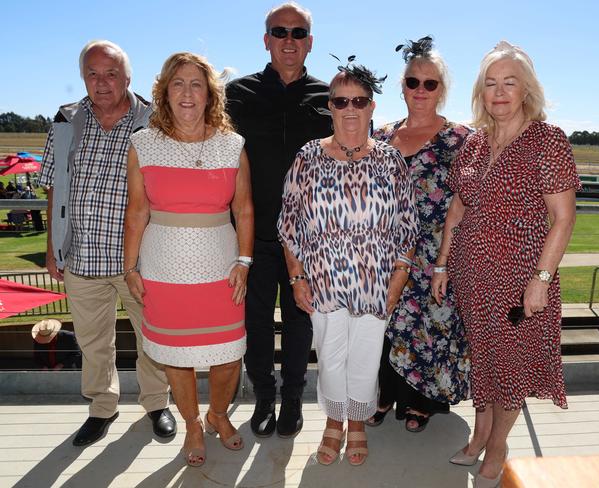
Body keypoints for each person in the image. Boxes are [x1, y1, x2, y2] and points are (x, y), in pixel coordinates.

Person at [431, 41, 580, 488]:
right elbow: (457, 209)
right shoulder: (474, 144)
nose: (499, 92)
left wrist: (541, 279)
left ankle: (498, 446)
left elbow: (564, 217)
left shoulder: (547, 140)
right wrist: (442, 265)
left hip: (521, 281)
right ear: (481, 92)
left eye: (509, 83)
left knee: (510, 367)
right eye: (491, 84)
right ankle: (479, 435)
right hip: (472, 277)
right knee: (484, 361)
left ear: (526, 91)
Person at [278, 59, 419, 466]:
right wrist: (297, 277)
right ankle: (333, 422)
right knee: (331, 355)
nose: (350, 108)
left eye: (359, 100)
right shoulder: (308, 157)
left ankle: (356, 422)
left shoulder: (391, 161)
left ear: (372, 107)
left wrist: (399, 276)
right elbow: (289, 222)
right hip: (323, 280)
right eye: (341, 101)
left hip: (375, 281)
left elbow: (407, 225)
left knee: (365, 355)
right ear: (330, 106)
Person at [39, 40, 175, 448]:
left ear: (127, 78)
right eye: (92, 74)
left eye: (110, 74)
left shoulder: (156, 123)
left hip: (140, 260)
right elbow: (52, 187)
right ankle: (102, 407)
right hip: (81, 255)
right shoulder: (66, 121)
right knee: (94, 342)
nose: (101, 83)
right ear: (84, 77)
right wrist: (51, 245)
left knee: (151, 336)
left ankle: (156, 404)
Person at [124, 52, 254, 467]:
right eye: (177, 83)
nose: (186, 92)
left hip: (222, 268)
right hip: (162, 269)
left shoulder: (232, 145)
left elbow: (245, 210)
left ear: (209, 93)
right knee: (175, 355)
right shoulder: (143, 144)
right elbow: (137, 211)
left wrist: (245, 261)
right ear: (164, 92)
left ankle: (218, 414)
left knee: (229, 353)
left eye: (196, 83)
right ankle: (193, 424)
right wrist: (130, 267)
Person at [226, 2, 332, 438]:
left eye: (298, 32)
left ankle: (292, 401)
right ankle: (263, 398)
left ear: (309, 42)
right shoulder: (236, 94)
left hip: (309, 242)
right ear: (266, 39)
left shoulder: (330, 96)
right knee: (254, 325)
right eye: (280, 31)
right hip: (250, 236)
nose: (289, 40)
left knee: (299, 324)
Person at [368, 36, 471, 433]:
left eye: (430, 84)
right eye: (413, 82)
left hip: (436, 253)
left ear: (442, 90)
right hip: (384, 252)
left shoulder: (463, 139)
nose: (421, 91)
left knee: (431, 327)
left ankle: (421, 401)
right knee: (384, 323)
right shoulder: (380, 136)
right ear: (402, 86)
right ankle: (382, 393)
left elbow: (470, 201)